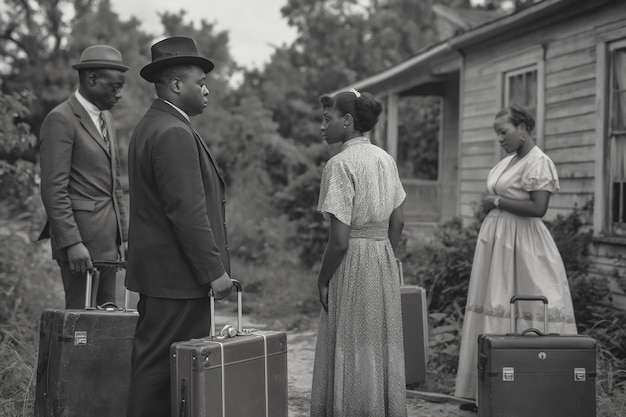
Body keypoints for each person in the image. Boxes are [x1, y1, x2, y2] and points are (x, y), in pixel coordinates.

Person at [125, 36, 233, 417]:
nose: (206, 90)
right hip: (177, 280)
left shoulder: (155, 124)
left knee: (158, 372)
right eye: (200, 83)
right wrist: (214, 272)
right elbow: (187, 213)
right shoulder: (171, 132)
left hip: (165, 279)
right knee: (159, 377)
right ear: (175, 85)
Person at [454, 105, 578, 409]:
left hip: (524, 244)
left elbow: (538, 208)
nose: (500, 138)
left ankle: (536, 392)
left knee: (525, 303)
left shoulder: (539, 162)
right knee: (493, 303)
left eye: (504, 131)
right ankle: (486, 391)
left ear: (522, 127)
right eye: (497, 133)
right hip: (498, 243)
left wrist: (496, 200)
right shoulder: (510, 161)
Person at [310, 89, 408, 417]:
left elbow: (339, 241)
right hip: (383, 259)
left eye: (328, 118)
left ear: (348, 121)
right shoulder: (386, 159)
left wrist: (323, 280)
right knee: (378, 345)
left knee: (350, 345)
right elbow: (399, 220)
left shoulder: (339, 165)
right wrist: (383, 256)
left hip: (352, 260)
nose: (323, 126)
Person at [38, 45, 129, 309]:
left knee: (109, 322)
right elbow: (54, 189)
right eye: (114, 87)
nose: (120, 94)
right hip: (81, 248)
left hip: (108, 245)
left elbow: (116, 186)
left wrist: (123, 238)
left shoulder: (107, 119)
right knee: (80, 327)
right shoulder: (61, 119)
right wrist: (72, 243)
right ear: (91, 79)